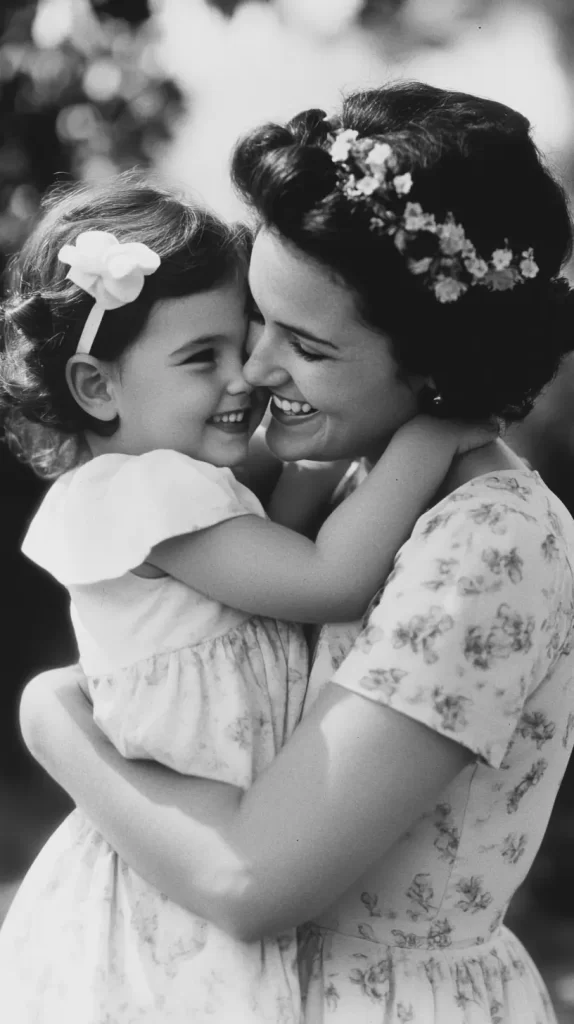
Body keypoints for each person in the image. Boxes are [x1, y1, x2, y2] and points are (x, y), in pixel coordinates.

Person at [16, 82, 574, 1024]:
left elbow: (252, 883)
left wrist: (50, 720)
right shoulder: (364, 478)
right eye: (252, 323)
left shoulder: (490, 543)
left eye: (304, 343)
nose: (257, 369)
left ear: (436, 367)